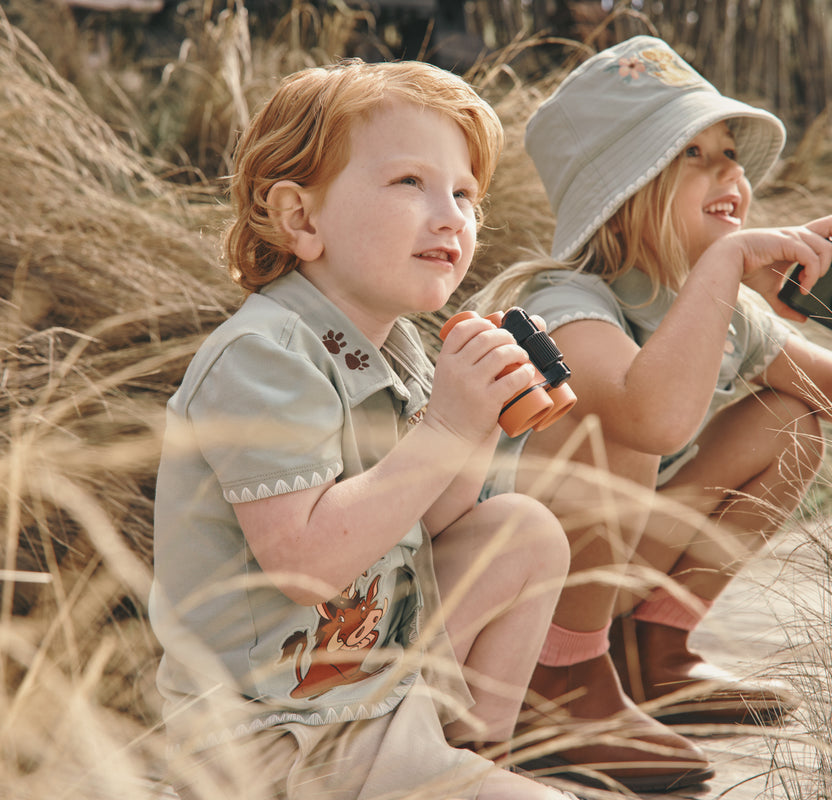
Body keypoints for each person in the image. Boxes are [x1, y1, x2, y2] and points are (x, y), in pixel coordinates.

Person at [470, 35, 832, 791]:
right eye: (690, 154)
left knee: (789, 420)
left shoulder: (728, 314)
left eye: (729, 151)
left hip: (607, 579)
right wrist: (729, 264)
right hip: (509, 606)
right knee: (626, 419)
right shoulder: (567, 307)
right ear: (623, 191)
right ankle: (558, 682)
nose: (729, 170)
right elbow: (651, 418)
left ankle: (652, 652)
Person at [147, 59, 579, 800]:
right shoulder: (264, 356)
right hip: (276, 739)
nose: (452, 215)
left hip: (376, 693)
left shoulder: (398, 346)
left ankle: (473, 759)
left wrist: (477, 417)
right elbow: (307, 568)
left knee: (521, 531)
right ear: (301, 219)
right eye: (411, 182)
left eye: (467, 194)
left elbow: (436, 519)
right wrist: (445, 423)